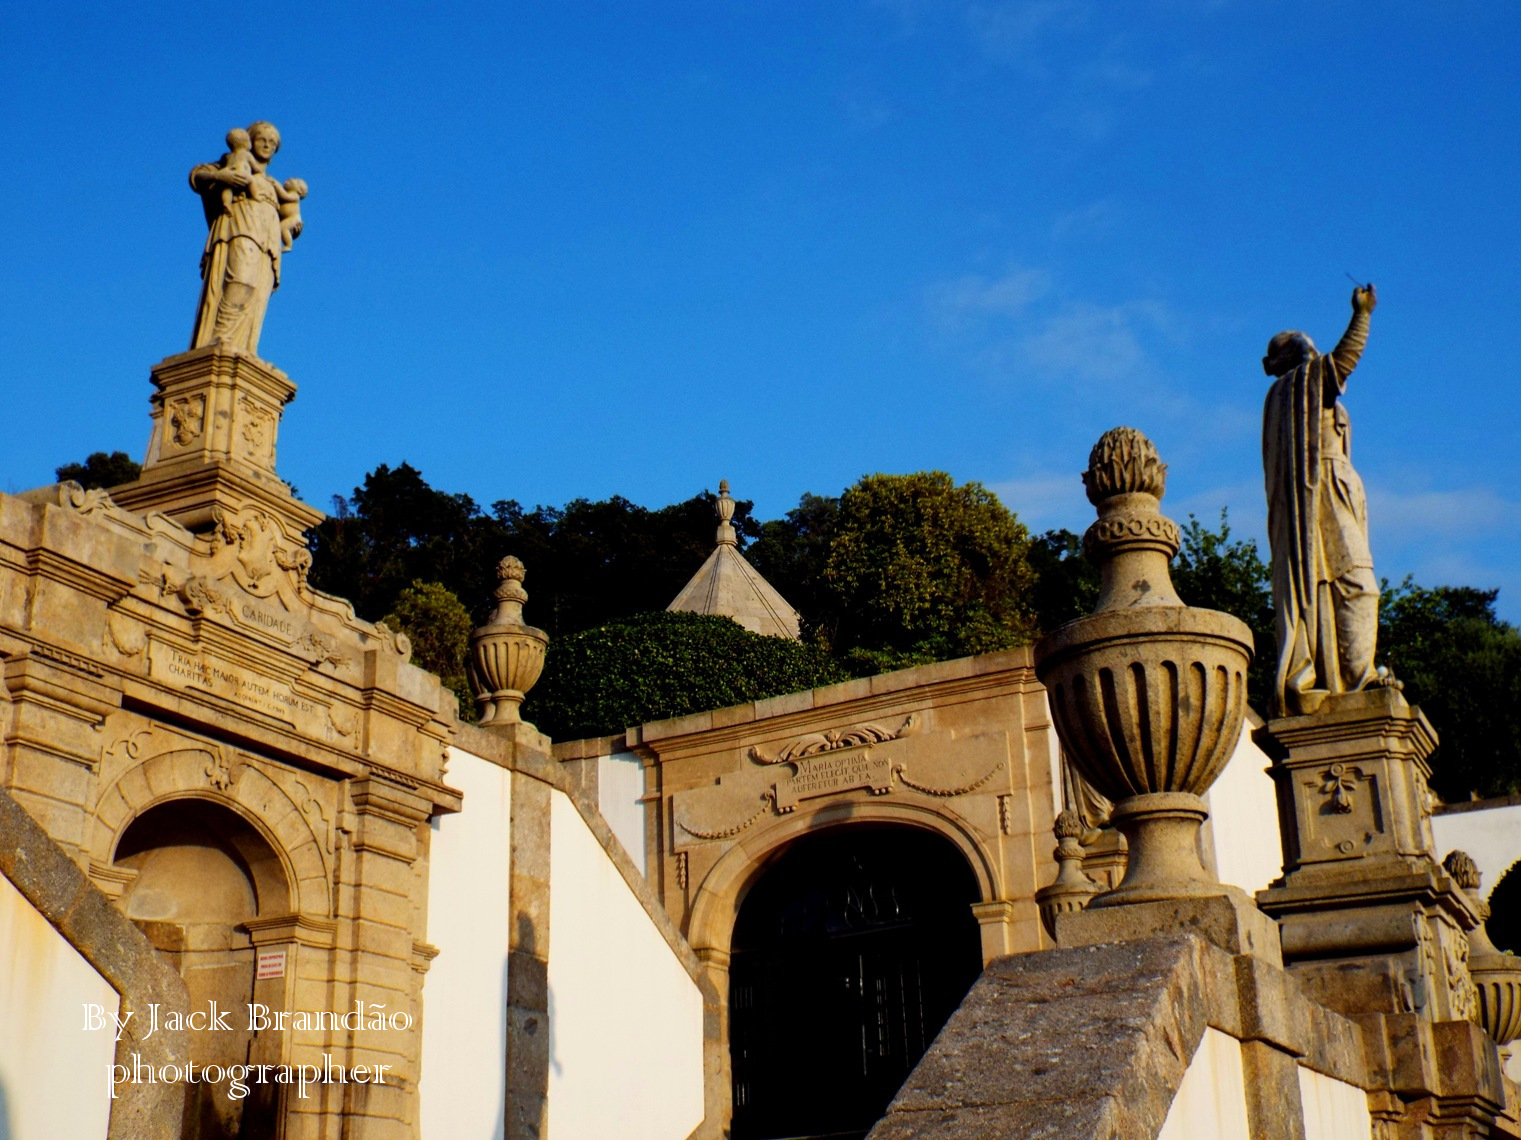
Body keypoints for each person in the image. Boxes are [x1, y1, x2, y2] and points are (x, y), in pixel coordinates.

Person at [1261, 284, 1379, 716]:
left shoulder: (1306, 390)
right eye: (1301, 347)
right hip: (1320, 490)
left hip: (1338, 489)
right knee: (1358, 586)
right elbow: (1344, 360)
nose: (1311, 351)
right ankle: (1356, 676)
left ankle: (1350, 676)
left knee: (1344, 587)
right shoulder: (1295, 388)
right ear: (1279, 363)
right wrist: (1362, 314)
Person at [188, 121, 306, 355]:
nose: (267, 144)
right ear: (251, 140)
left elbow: (288, 213)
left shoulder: (273, 183)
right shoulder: (234, 162)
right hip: (240, 225)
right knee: (240, 280)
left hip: (268, 236)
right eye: (262, 138)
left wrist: (292, 227)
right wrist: (223, 177)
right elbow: (197, 177)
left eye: (272, 142)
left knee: (258, 292)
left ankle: (244, 347)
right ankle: (219, 338)